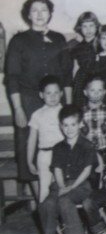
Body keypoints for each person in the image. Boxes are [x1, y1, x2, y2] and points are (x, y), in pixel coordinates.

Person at [4, 0, 72, 183]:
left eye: (44, 10)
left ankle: (59, 197)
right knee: (29, 147)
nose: (39, 14)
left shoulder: (59, 39)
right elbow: (12, 78)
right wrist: (18, 109)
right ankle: (38, 205)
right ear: (28, 15)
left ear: (50, 13)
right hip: (28, 100)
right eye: (35, 10)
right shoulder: (18, 41)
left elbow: (67, 76)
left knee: (60, 144)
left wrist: (68, 106)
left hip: (56, 101)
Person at [39, 105, 97, 234]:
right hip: (61, 183)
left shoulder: (88, 145)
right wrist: (63, 186)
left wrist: (71, 187)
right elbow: (57, 168)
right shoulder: (58, 147)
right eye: (65, 125)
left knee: (65, 200)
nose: (69, 129)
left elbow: (87, 170)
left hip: (82, 184)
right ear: (60, 126)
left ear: (80, 124)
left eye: (73, 124)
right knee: (47, 203)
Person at [27, 75, 64, 203]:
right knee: (44, 190)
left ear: (61, 93)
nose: (53, 96)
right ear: (41, 95)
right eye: (48, 93)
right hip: (44, 156)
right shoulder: (37, 115)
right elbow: (32, 139)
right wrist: (29, 161)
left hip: (63, 155)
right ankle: (47, 221)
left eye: (56, 92)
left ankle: (64, 221)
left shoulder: (66, 112)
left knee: (62, 188)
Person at [71, 11, 100, 108]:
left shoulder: (101, 44)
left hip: (97, 78)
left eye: (91, 25)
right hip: (82, 80)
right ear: (80, 28)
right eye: (85, 26)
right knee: (81, 107)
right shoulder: (77, 48)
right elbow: (75, 68)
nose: (88, 30)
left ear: (96, 26)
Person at [80, 76, 106, 151]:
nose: (96, 93)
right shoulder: (80, 113)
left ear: (104, 92)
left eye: (100, 90)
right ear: (85, 92)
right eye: (92, 90)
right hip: (87, 151)